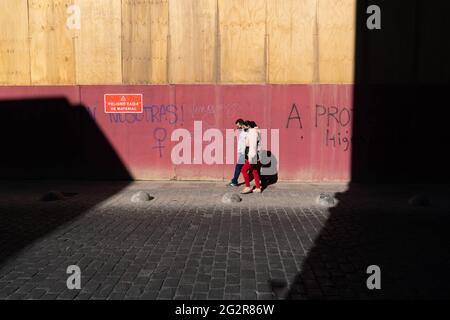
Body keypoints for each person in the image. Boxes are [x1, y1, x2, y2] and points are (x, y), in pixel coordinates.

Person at [241, 121, 262, 194]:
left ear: (249, 126)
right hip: (255, 155)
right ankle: (258, 188)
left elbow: (252, 146)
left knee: (243, 170)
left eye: (245, 126)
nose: (244, 128)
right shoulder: (256, 132)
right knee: (254, 171)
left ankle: (247, 187)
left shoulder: (252, 133)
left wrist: (251, 158)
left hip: (252, 155)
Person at [228, 119, 247, 187]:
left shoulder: (246, 132)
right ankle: (234, 180)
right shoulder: (242, 131)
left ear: (241, 124)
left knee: (238, 167)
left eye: (238, 125)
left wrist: (244, 152)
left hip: (244, 153)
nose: (237, 127)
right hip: (242, 153)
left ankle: (234, 181)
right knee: (249, 168)